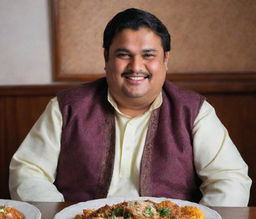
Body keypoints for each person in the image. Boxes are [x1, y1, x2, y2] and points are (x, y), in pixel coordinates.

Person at [9, 8, 251, 206]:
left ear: (165, 60)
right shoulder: (66, 107)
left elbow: (229, 178)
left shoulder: (195, 111)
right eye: (124, 54)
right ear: (107, 58)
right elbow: (28, 172)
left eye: (148, 55)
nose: (136, 66)